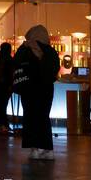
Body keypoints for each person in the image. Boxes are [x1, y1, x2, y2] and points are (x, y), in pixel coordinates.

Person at [13, 25, 60, 160]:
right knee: (43, 117)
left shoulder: (25, 48)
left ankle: (34, 148)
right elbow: (54, 70)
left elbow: (16, 63)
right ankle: (47, 149)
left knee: (30, 116)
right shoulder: (51, 51)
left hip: (28, 88)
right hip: (45, 89)